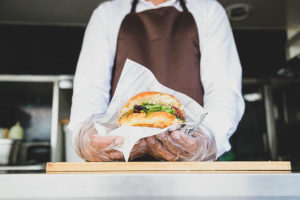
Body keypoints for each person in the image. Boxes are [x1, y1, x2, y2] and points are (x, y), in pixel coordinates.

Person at [69, 0, 245, 161]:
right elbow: (90, 90)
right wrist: (86, 137)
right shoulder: (107, 13)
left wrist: (207, 139)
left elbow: (224, 90)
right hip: (120, 165)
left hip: (191, 168)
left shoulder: (208, 10)